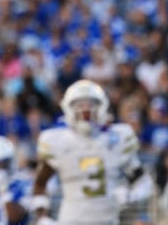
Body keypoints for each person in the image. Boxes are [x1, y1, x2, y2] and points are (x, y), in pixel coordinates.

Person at [31, 79, 153, 225]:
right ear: (68, 109)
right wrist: (42, 217)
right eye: (79, 105)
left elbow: (144, 183)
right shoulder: (57, 141)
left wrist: (130, 195)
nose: (86, 111)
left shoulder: (117, 138)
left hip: (108, 221)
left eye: (91, 104)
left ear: (102, 107)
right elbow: (39, 184)